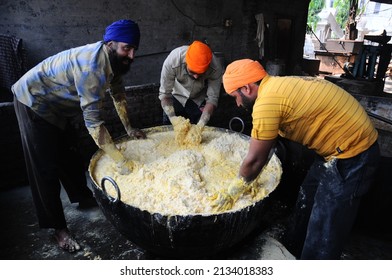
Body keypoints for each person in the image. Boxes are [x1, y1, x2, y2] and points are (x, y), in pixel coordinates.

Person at [216, 59, 380, 259]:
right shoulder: (277, 86)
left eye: (236, 96)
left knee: (325, 222)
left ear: (247, 88)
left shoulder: (266, 102)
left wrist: (234, 191)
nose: (237, 103)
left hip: (353, 152)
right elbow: (267, 147)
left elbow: (255, 160)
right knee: (307, 197)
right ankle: (292, 249)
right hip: (334, 147)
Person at [12, 19, 146, 253]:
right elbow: (94, 124)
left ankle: (82, 196)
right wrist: (121, 161)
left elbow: (118, 96)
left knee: (70, 152)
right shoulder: (91, 67)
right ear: (111, 44)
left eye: (134, 49)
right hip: (33, 101)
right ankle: (58, 229)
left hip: (57, 106)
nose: (132, 55)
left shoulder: (114, 62)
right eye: (127, 48)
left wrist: (128, 129)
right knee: (45, 168)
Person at [159, 40, 223, 128]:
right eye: (193, 72)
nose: (196, 77)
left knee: (201, 130)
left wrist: (202, 123)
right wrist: (173, 119)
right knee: (169, 129)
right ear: (186, 62)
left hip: (198, 99)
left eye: (200, 73)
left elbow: (212, 99)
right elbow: (165, 94)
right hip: (176, 96)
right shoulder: (173, 60)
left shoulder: (216, 67)